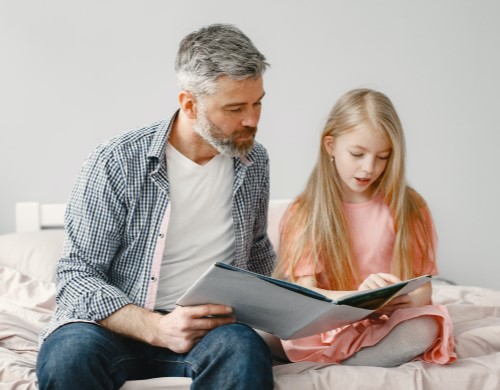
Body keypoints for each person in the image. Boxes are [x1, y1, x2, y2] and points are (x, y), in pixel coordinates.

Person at [36, 24, 275, 389]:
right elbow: (76, 276)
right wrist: (157, 328)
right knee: (68, 356)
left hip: (208, 332)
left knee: (245, 351)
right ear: (190, 105)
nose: (252, 120)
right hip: (115, 327)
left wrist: (298, 303)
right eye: (235, 108)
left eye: (257, 102)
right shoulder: (117, 162)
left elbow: (257, 253)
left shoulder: (253, 161)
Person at [273, 88, 456, 367]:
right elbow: (307, 294)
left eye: (382, 157)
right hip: (327, 324)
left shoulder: (410, 206)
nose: (369, 168)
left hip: (385, 322)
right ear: (330, 146)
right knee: (256, 331)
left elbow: (424, 287)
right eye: (357, 154)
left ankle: (339, 365)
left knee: (425, 327)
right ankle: (349, 361)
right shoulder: (306, 212)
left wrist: (402, 298)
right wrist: (361, 299)